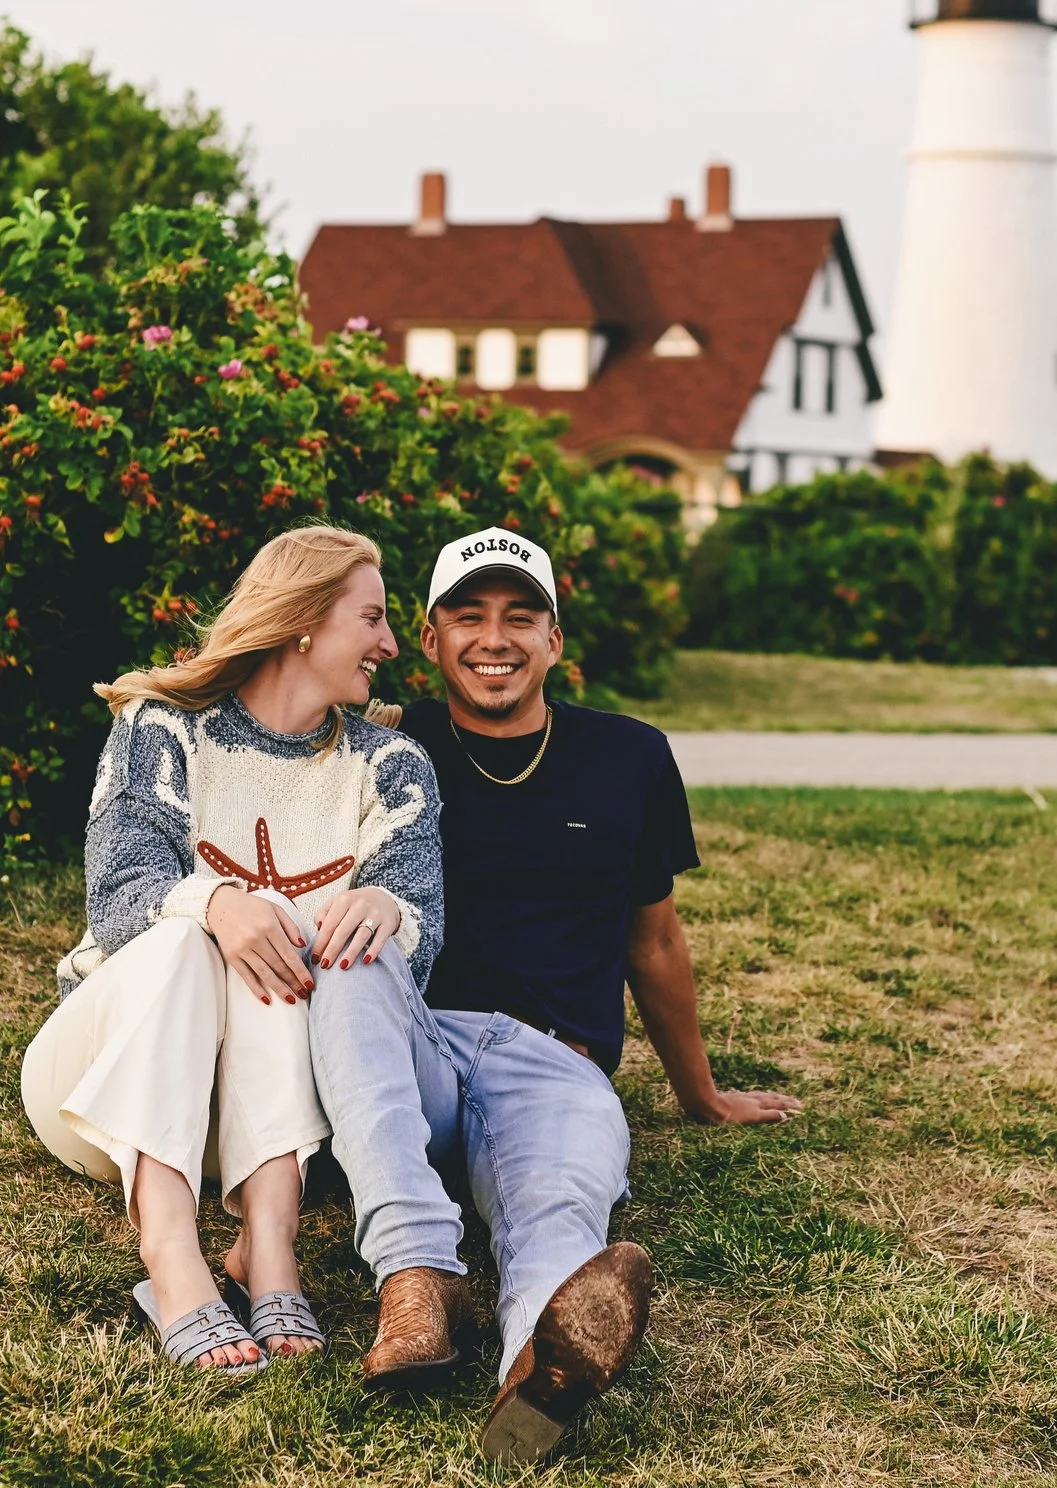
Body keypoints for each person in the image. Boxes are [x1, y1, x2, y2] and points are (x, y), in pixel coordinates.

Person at [309, 526, 802, 1463]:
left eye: (520, 618)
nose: (494, 639)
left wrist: (699, 1094)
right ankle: (416, 1281)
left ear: (554, 641)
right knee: (355, 940)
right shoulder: (382, 744)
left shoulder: (629, 757)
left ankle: (538, 1371)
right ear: (429, 638)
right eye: (469, 617)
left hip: (556, 1065)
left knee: (557, 1208)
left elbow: (652, 938)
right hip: (415, 1048)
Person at [19, 526, 443, 1375]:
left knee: (287, 937)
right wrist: (218, 904)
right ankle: (172, 1258)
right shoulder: (165, 728)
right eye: (373, 618)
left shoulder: (391, 767)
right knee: (197, 938)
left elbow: (412, 957)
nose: (392, 645)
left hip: (274, 1124)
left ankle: (268, 1248)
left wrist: (384, 910)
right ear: (303, 622)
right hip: (106, 1095)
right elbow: (117, 898)